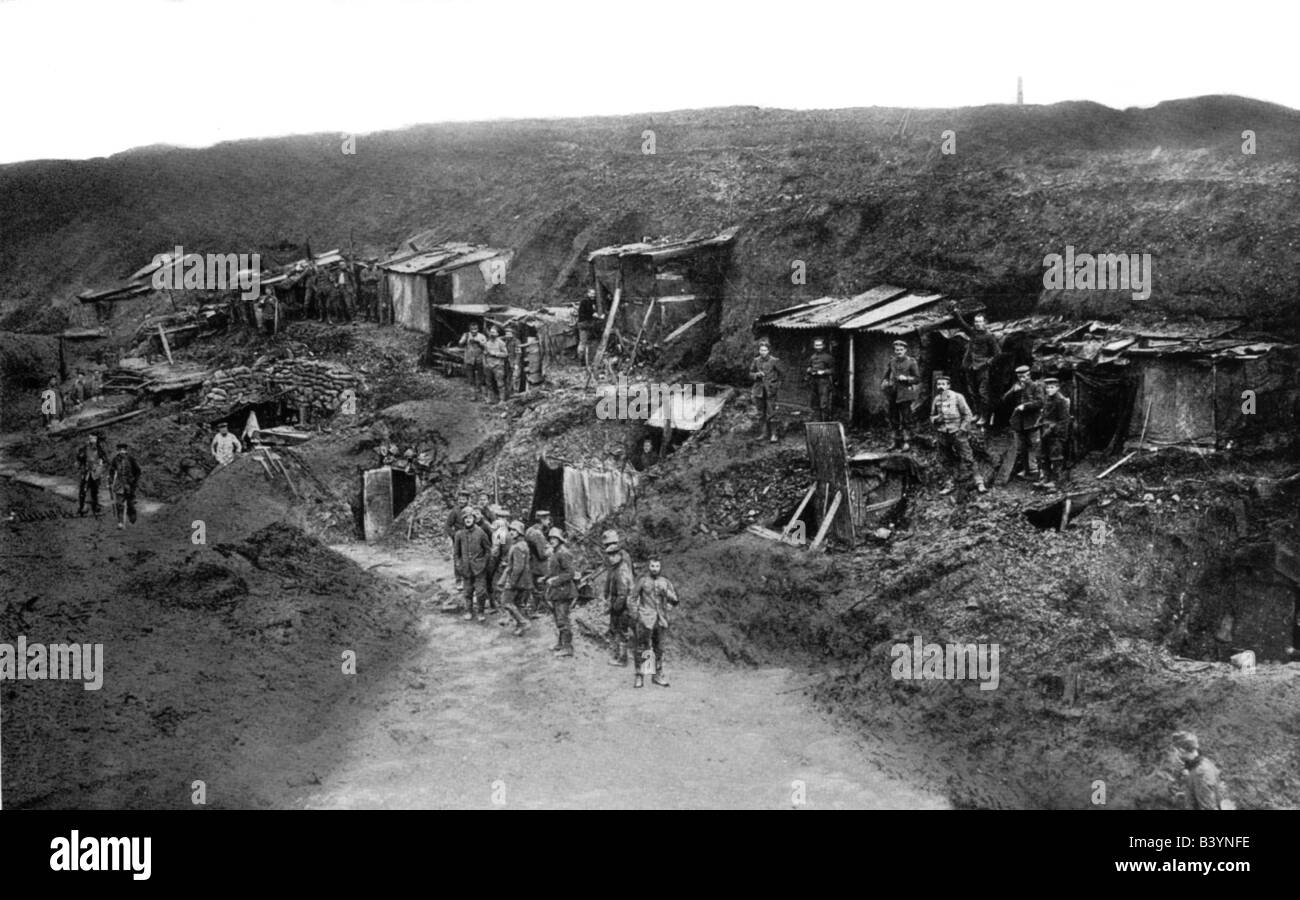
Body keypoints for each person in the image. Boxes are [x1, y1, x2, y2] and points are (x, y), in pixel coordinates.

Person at [929, 373, 985, 494]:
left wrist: (962, 430)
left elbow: (968, 415)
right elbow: (932, 416)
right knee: (945, 460)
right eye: (938, 384)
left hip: (957, 432)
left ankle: (979, 482)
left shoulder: (957, 397)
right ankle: (949, 484)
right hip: (943, 433)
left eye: (943, 384)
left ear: (948, 385)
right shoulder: (936, 399)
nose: (940, 386)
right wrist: (936, 419)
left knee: (968, 458)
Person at [629, 556, 680, 688]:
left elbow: (675, 600)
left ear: (660, 567)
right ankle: (640, 675)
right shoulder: (642, 581)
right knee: (642, 647)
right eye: (652, 566)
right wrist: (636, 615)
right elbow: (632, 598)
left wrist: (667, 594)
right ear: (648, 567)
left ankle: (657, 675)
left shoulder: (665, 582)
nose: (655, 569)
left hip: (660, 620)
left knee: (659, 648)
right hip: (645, 618)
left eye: (657, 566)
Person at [950, 303, 1001, 426]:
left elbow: (997, 353)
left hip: (982, 368)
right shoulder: (972, 332)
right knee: (972, 392)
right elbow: (962, 324)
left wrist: (987, 362)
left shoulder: (989, 336)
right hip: (970, 366)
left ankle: (984, 416)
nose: (977, 324)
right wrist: (955, 312)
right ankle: (977, 413)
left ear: (985, 323)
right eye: (976, 322)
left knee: (983, 392)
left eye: (980, 322)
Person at [1000, 365, 1044, 479]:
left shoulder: (1035, 386)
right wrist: (1012, 392)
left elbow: (1040, 402)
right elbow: (1004, 400)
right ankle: (1027, 471)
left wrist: (1025, 406)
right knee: (1021, 448)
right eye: (1020, 377)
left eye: (1024, 376)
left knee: (1036, 447)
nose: (1022, 379)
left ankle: (1041, 472)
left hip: (1033, 422)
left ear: (1029, 375)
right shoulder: (1016, 387)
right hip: (1019, 424)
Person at [601, 529, 636, 666]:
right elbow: (611, 576)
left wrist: (615, 607)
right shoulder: (615, 560)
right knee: (619, 629)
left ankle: (624, 657)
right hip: (618, 598)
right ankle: (620, 654)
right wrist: (606, 592)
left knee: (623, 629)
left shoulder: (623, 559)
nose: (610, 555)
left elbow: (624, 588)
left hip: (624, 601)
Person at [880, 339, 921, 450]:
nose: (898, 352)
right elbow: (887, 374)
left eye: (901, 350)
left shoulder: (911, 362)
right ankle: (895, 441)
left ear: (905, 350)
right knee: (893, 418)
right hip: (893, 393)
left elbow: (917, 379)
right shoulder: (892, 361)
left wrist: (907, 378)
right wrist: (885, 381)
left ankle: (906, 442)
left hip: (905, 394)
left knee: (906, 418)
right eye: (896, 350)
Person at [544, 527, 578, 657]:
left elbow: (570, 573)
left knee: (563, 619)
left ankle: (568, 648)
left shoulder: (563, 553)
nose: (552, 540)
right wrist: (547, 578)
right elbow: (555, 570)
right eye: (550, 538)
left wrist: (554, 580)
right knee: (558, 619)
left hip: (565, 592)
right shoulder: (556, 552)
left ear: (559, 539)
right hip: (557, 592)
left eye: (554, 538)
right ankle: (560, 643)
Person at [453, 509, 492, 622]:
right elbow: (456, 554)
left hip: (479, 569)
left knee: (480, 592)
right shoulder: (459, 534)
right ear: (463, 520)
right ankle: (469, 611)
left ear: (474, 519)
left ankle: (480, 612)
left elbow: (488, 550)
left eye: (470, 518)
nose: (468, 520)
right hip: (466, 569)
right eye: (465, 518)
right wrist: (459, 566)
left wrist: (483, 563)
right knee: (468, 591)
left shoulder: (480, 532)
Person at [496, 520, 533, 636]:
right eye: (511, 530)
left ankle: (522, 622)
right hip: (523, 580)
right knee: (518, 603)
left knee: (506, 602)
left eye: (515, 530)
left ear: (520, 532)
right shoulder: (521, 544)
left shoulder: (518, 547)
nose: (512, 532)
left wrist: (511, 582)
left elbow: (518, 568)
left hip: (518, 580)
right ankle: (520, 627)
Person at [1171, 732, 1225, 810]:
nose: (1174, 755)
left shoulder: (1201, 773)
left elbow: (1208, 807)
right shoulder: (1199, 766)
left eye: (1175, 751)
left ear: (1181, 750)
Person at [1038, 377, 1072, 488]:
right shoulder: (1047, 398)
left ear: (1057, 388)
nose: (1049, 390)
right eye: (1047, 387)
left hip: (1055, 434)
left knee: (1056, 457)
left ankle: (1055, 481)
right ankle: (1046, 479)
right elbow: (1044, 415)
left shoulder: (1061, 401)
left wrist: (1054, 431)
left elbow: (1064, 420)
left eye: (1052, 387)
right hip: (1045, 432)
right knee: (1044, 456)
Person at [750, 339, 783, 443]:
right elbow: (750, 373)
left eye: (764, 350)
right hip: (759, 390)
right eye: (761, 350)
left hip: (770, 391)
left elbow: (782, 374)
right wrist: (756, 375)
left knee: (771, 412)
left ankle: (774, 434)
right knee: (761, 413)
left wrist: (776, 386)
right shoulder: (756, 360)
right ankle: (764, 433)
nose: (762, 352)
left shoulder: (774, 361)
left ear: (768, 351)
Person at [525, 510, 555, 618]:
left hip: (531, 563)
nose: (548, 522)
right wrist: (551, 549)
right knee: (541, 588)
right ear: (542, 520)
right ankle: (540, 610)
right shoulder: (538, 534)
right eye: (547, 519)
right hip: (539, 565)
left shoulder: (530, 530)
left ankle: (534, 609)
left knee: (535, 587)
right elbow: (542, 555)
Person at [108, 442, 142, 529]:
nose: (122, 452)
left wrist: (134, 481)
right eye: (120, 450)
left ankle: (132, 514)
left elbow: (138, 471)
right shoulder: (115, 459)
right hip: (119, 484)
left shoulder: (131, 459)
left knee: (130, 504)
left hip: (129, 484)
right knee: (119, 504)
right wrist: (110, 480)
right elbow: (112, 470)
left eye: (123, 450)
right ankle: (120, 522)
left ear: (126, 450)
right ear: (118, 451)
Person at [76, 433, 108, 517]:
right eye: (91, 439)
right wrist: (81, 458)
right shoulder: (84, 448)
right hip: (86, 472)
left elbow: (105, 461)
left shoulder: (100, 450)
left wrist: (100, 467)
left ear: (97, 440)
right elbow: (79, 458)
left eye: (94, 439)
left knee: (95, 491)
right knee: (83, 490)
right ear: (88, 439)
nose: (92, 440)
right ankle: (82, 508)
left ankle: (95, 508)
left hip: (95, 473)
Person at [805, 338, 836, 422]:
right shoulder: (813, 357)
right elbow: (809, 367)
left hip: (824, 382)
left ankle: (825, 423)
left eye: (820, 345)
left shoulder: (828, 357)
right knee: (814, 403)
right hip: (814, 381)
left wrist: (824, 371)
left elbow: (833, 370)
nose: (818, 347)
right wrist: (809, 370)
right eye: (816, 345)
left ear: (823, 346)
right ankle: (816, 423)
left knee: (824, 404)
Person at [458, 322, 487, 400]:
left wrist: (479, 342)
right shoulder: (466, 335)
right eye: (472, 329)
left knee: (480, 377)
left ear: (478, 329)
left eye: (476, 329)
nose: (474, 331)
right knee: (470, 378)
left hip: (479, 359)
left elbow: (486, 347)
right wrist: (465, 339)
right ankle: (472, 395)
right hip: (469, 359)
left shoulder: (482, 336)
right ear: (469, 329)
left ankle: (479, 392)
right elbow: (460, 343)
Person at [482, 325, 509, 404]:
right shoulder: (487, 343)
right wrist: (485, 364)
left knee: (500, 383)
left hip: (498, 366)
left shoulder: (501, 343)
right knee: (489, 383)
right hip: (488, 366)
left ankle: (502, 400)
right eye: (490, 332)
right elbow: (484, 354)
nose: (491, 334)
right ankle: (491, 399)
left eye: (493, 332)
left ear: (497, 334)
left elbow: (505, 354)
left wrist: (495, 353)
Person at [577, 289, 598, 366]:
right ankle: (581, 361)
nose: (593, 295)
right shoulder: (585, 301)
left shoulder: (591, 301)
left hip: (587, 323)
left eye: (594, 294)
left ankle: (587, 360)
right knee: (583, 342)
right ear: (588, 293)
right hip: (584, 323)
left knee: (587, 342)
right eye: (592, 293)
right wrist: (594, 315)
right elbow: (586, 313)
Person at [503, 325, 521, 399]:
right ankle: (508, 394)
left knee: (515, 378)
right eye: (506, 333)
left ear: (513, 334)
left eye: (509, 333)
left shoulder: (517, 341)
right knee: (508, 378)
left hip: (514, 362)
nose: (508, 335)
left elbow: (518, 353)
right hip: (507, 362)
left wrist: (516, 363)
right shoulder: (506, 341)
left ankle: (516, 393)